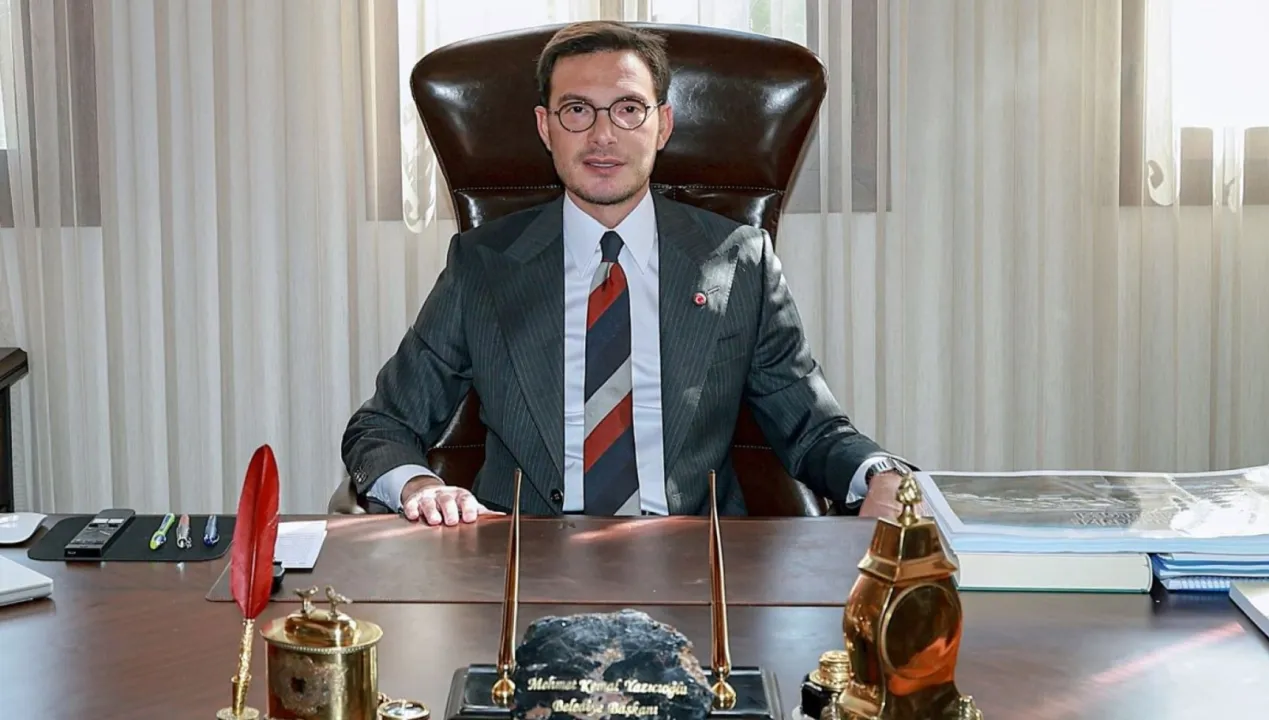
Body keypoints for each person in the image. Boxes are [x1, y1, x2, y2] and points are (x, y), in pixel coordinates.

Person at [341, 20, 912, 527]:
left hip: (691, 562)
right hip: (524, 557)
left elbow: (812, 427)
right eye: (576, 110)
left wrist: (881, 474)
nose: (603, 136)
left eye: (628, 109)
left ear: (662, 125)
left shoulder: (739, 260)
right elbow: (381, 425)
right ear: (545, 127)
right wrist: (419, 487)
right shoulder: (483, 265)